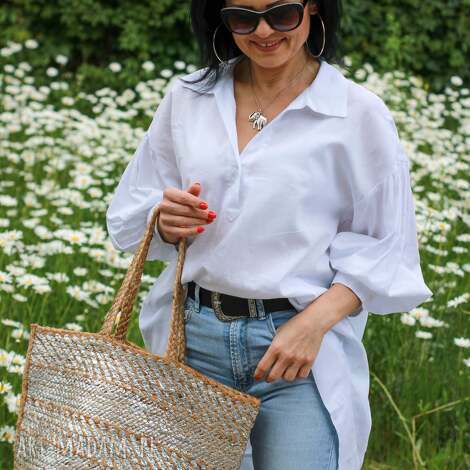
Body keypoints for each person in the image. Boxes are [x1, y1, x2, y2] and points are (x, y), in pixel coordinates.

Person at [106, 1, 433, 469]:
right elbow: (134, 206)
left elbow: (388, 246)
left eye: (281, 14)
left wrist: (312, 325)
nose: (262, 31)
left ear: (313, 7)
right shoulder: (190, 97)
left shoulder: (356, 114)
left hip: (298, 352)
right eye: (243, 17)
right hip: (191, 344)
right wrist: (162, 220)